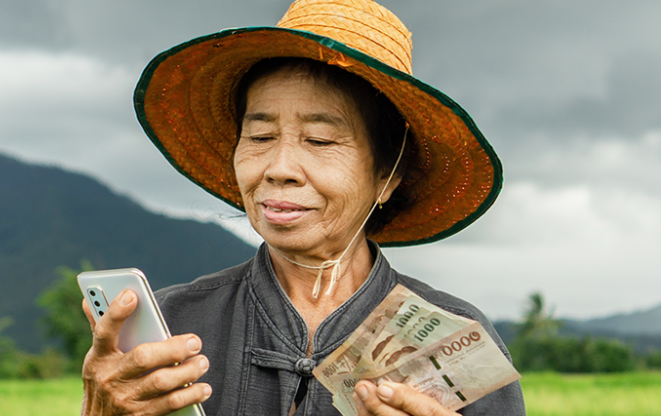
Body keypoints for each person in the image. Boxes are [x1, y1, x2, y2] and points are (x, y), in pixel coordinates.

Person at [81, 0, 525, 415]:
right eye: (259, 137)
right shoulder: (171, 324)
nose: (279, 168)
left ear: (387, 176)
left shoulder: (462, 339)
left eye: (320, 140)